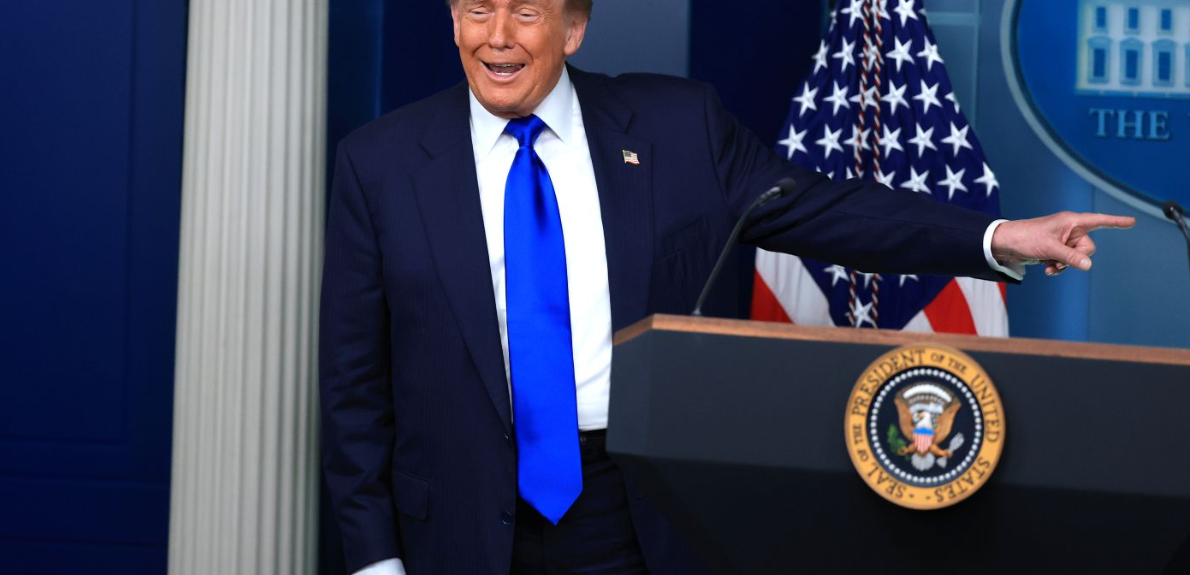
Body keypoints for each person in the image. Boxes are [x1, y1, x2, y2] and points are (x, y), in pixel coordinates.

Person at [318, 1, 1135, 574]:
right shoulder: (379, 164)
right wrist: (374, 559)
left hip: (631, 515)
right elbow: (354, 391)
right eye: (476, 11)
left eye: (525, 13)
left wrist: (997, 238)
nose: (496, 37)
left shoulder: (677, 128)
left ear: (574, 26)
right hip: (452, 525)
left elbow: (830, 211)